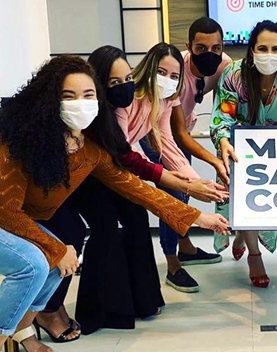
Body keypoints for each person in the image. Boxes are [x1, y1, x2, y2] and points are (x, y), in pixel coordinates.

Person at [0, 55, 229, 352]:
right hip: (5, 219)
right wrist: (56, 249)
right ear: (49, 100)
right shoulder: (19, 143)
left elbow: (136, 189)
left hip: (25, 220)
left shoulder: (90, 150)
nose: (80, 104)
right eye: (69, 96)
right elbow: (7, 212)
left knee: (57, 262)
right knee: (37, 264)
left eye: (88, 95)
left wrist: (198, 217)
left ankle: (21, 331)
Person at [116, 42, 227, 294]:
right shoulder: (127, 96)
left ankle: (159, 272)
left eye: (174, 76)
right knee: (158, 200)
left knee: (141, 217)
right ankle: (170, 265)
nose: (167, 80)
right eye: (161, 72)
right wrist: (186, 185)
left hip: (124, 161)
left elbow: (166, 142)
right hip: (111, 164)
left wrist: (199, 183)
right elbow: (125, 151)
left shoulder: (166, 98)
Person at [210, 20, 277, 288]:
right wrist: (223, 141)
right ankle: (255, 256)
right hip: (236, 147)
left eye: (276, 49)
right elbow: (223, 116)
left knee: (261, 202)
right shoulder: (234, 74)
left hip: (271, 151)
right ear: (252, 50)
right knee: (241, 199)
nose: (269, 54)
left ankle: (243, 236)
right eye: (262, 48)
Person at [151, 18, 232, 279]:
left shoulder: (225, 65)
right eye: (201, 48)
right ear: (189, 47)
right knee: (174, 194)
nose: (209, 54)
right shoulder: (175, 73)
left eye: (215, 48)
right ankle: (172, 262)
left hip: (182, 129)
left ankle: (185, 247)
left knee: (184, 193)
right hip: (156, 134)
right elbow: (176, 134)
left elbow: (223, 112)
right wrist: (212, 163)